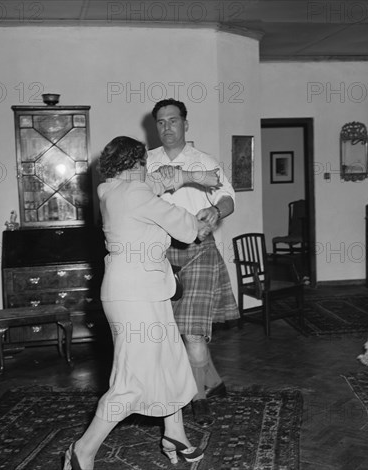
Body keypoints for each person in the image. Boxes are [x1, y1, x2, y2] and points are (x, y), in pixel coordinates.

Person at [64, 136, 220, 470]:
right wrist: (206, 219)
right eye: (143, 163)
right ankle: (84, 449)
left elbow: (162, 178)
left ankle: (174, 433)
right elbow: (186, 228)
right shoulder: (135, 193)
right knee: (132, 381)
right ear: (136, 164)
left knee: (171, 360)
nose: (147, 169)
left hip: (142, 289)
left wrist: (195, 176)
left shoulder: (111, 189)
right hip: (135, 294)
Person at [147, 98, 240, 426]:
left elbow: (227, 198)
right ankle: (213, 382)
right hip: (159, 254)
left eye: (173, 120)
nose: (166, 127)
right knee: (172, 331)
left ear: (186, 124)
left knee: (193, 332)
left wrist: (216, 210)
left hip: (199, 250)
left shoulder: (204, 161)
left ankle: (197, 397)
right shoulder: (147, 163)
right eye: (160, 122)